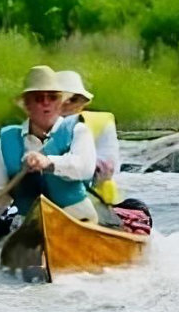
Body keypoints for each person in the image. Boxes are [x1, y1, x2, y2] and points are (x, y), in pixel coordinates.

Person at [0, 66, 112, 256]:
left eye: (52, 97)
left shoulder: (77, 131)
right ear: (27, 105)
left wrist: (48, 162)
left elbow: (84, 168)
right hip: (29, 229)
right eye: (38, 98)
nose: (46, 103)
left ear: (60, 102)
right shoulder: (8, 142)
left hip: (78, 222)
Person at [60, 70, 151, 235]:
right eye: (58, 98)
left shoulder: (101, 124)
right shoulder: (35, 127)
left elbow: (109, 166)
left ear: (82, 103)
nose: (66, 105)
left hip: (93, 199)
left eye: (73, 99)